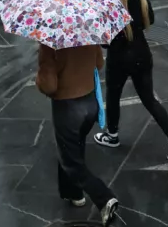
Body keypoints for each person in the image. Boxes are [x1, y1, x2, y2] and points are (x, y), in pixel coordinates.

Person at [93, 0, 168, 161]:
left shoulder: (110, 4)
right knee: (149, 99)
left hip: (118, 59)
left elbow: (105, 44)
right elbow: (147, 21)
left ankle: (112, 135)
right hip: (142, 54)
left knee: (113, 97)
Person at [36, 43, 119, 226]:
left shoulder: (50, 43)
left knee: (71, 161)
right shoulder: (87, 31)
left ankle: (104, 198)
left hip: (67, 108)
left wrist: (40, 78)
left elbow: (49, 85)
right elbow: (98, 64)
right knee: (72, 146)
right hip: (89, 103)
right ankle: (73, 193)